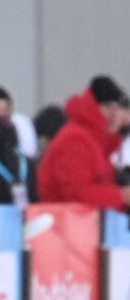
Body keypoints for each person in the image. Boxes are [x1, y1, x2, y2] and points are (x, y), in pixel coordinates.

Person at [38, 75, 130, 211]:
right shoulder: (75, 140)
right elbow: (76, 193)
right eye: (109, 108)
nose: (114, 115)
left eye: (117, 109)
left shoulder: (96, 143)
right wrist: (121, 196)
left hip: (82, 226)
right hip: (67, 227)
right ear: (94, 106)